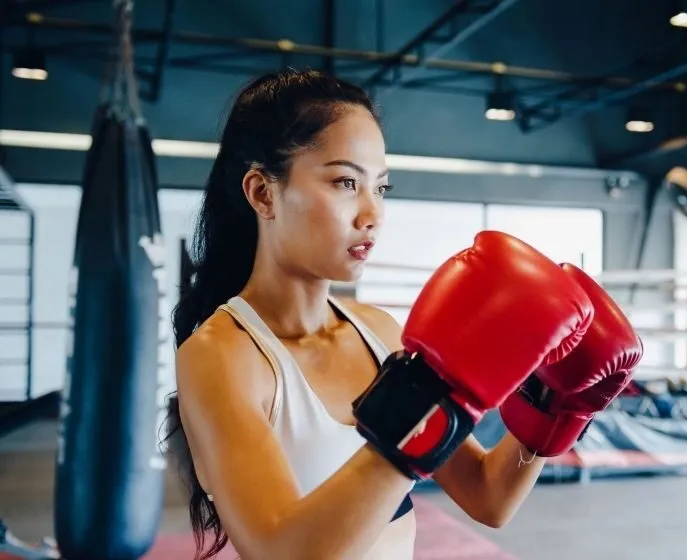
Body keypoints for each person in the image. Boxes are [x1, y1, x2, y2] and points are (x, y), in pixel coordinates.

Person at [163, 68, 641, 560]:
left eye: (381, 188)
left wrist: (553, 407)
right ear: (263, 192)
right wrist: (424, 414)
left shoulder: (378, 331)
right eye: (346, 182)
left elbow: (487, 496)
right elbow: (282, 552)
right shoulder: (221, 355)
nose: (372, 213)